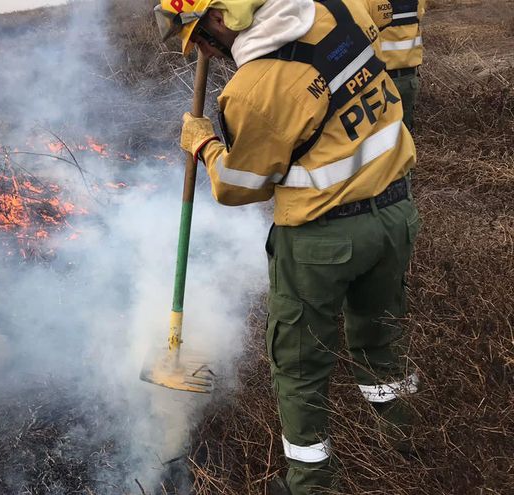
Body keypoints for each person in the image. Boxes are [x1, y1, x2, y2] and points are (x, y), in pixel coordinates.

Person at [153, 0, 421, 493]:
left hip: (323, 241)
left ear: (218, 17)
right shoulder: (335, 7)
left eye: (203, 41)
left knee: (299, 367)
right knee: (380, 338)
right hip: (395, 213)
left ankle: (310, 483)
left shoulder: (252, 90)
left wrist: (204, 145)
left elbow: (240, 185)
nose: (208, 54)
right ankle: (405, 442)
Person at [376, 0, 426, 129]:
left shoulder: (370, 3)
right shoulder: (417, 2)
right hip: (409, 79)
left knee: (381, 133)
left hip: (382, 80)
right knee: (405, 134)